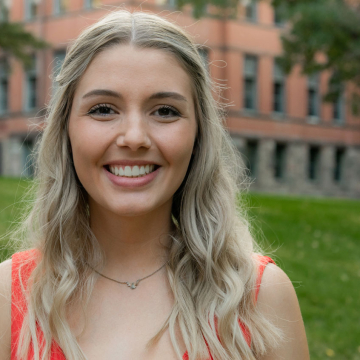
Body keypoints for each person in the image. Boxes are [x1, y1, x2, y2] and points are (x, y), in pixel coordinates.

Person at [0, 10, 309, 360]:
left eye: (164, 111)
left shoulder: (260, 297)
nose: (134, 137)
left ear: (198, 136)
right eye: (103, 109)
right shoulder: (9, 296)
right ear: (66, 130)